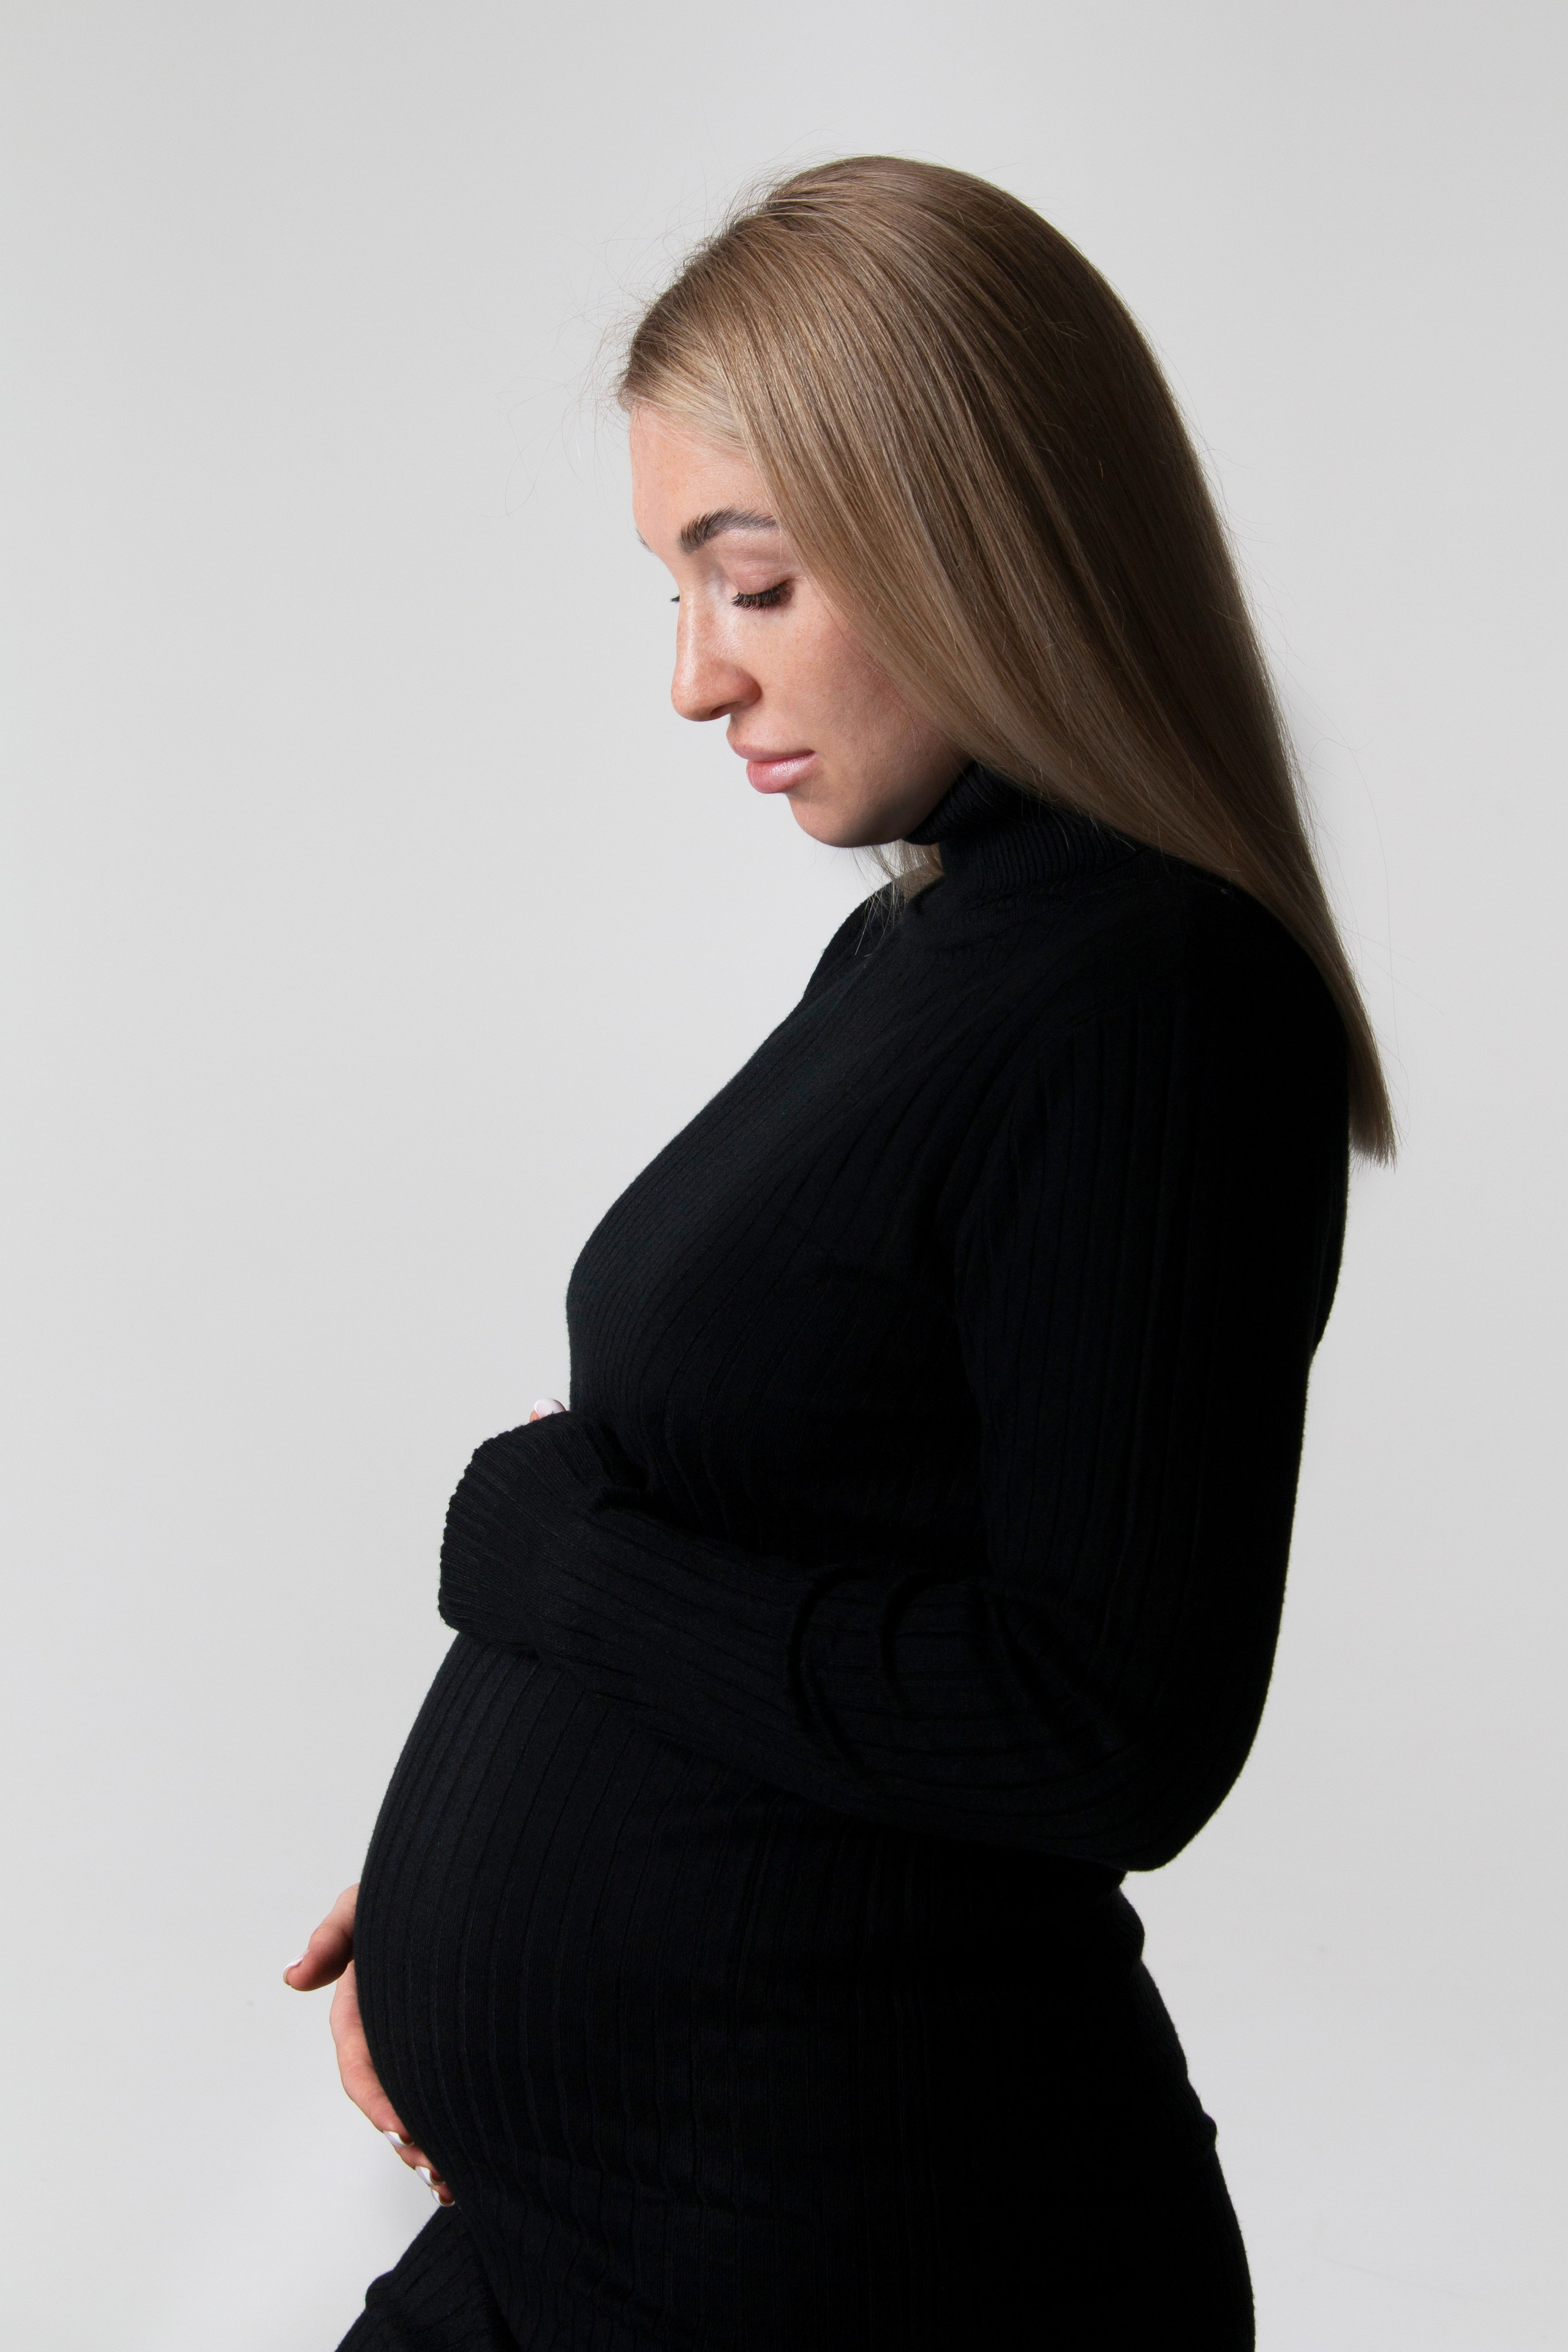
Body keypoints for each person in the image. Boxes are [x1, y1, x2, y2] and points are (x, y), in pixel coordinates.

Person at [287, 156, 1391, 2350]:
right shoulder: (941, 948)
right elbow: (811, 1529)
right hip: (638, 2209)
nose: (696, 679)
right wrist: (468, 1903)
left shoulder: (1152, 993)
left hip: (869, 2241)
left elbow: (1104, 1728)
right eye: (676, 590)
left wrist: (552, 1569)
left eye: (755, 582)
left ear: (978, 530)